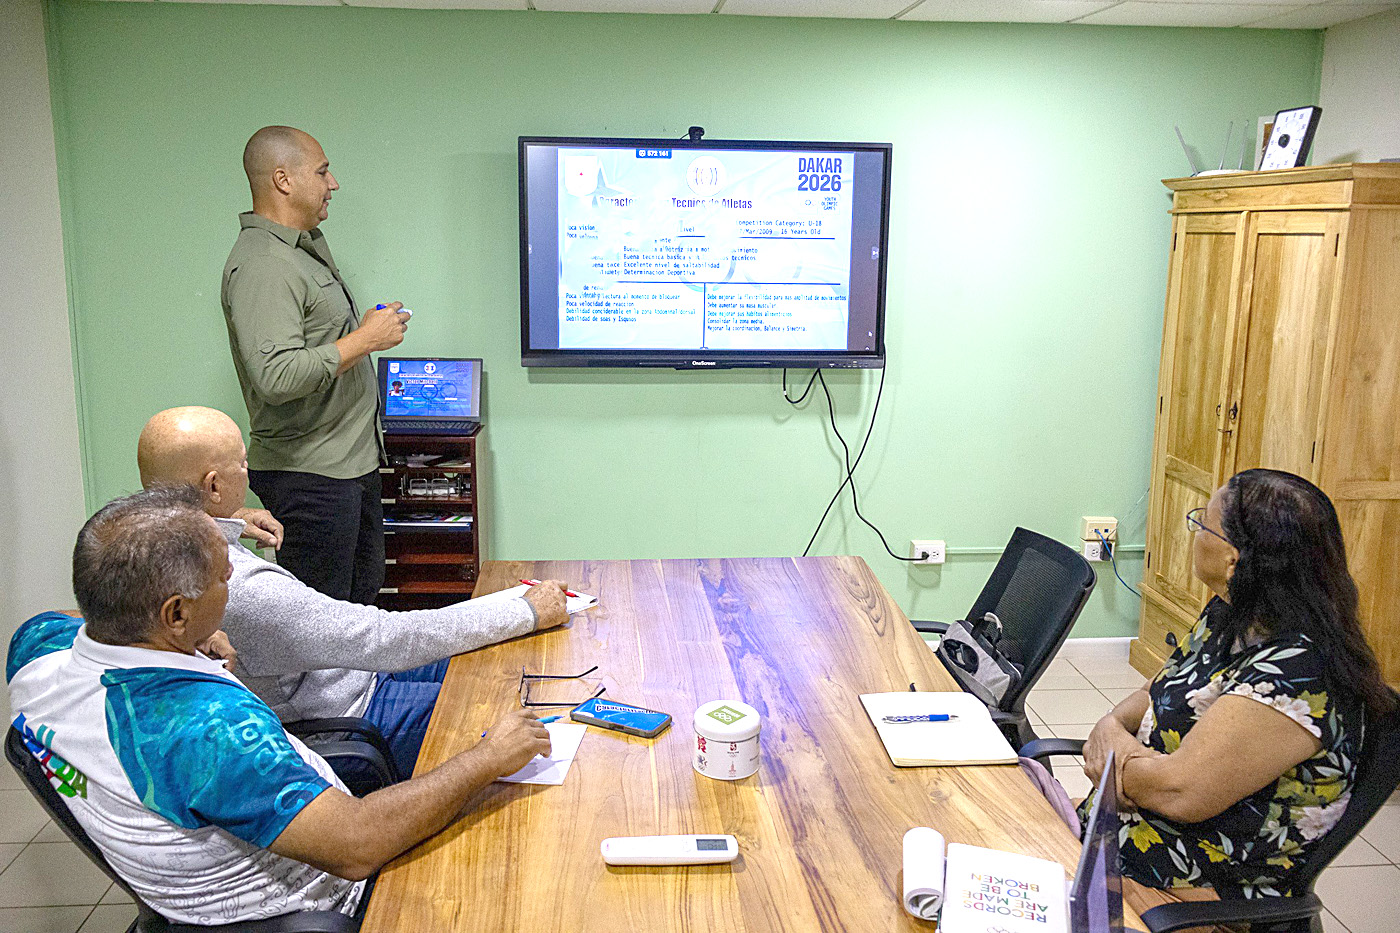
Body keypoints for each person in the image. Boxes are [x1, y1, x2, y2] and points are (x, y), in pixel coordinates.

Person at [6, 487, 551, 926]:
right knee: (529, 852)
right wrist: (486, 758)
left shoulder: (36, 645)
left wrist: (188, 639)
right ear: (174, 612)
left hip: (211, 859)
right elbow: (358, 845)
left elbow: (79, 616)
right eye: (222, 576)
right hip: (322, 902)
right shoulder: (210, 731)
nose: (231, 581)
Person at [136, 406, 569, 777]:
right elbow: (386, 639)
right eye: (243, 464)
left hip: (352, 676)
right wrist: (525, 611)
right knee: (510, 709)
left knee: (493, 662)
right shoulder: (242, 585)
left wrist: (228, 520)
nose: (248, 474)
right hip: (349, 716)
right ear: (213, 486)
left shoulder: (140, 545)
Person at [1078, 469, 1394, 913]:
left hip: (1196, 886)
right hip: (1124, 832)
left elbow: (1178, 792)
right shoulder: (1230, 612)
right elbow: (1160, 689)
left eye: (1201, 523)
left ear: (1233, 559)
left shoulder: (1298, 674)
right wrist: (1113, 725)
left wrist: (1113, 755)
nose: (1193, 532)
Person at [222, 124, 409, 604]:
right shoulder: (266, 263)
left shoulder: (301, 251)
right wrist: (365, 340)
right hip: (311, 478)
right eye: (323, 171)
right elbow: (276, 376)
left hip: (347, 467)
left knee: (358, 605)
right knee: (320, 620)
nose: (334, 183)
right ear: (283, 180)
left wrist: (358, 336)